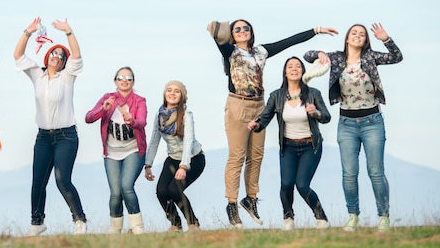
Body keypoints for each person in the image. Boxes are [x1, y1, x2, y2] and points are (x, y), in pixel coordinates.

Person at [207, 20, 337, 228]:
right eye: (237, 29)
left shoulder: (261, 52)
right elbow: (216, 34)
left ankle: (251, 199)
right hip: (237, 105)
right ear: (232, 34)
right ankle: (232, 204)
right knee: (237, 156)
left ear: (251, 32)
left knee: (256, 156)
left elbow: (289, 42)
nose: (242, 31)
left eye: (246, 28)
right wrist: (215, 29)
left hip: (259, 105)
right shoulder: (229, 51)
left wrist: (316, 31)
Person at [304, 23, 402, 232]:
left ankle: (383, 217)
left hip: (372, 122)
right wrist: (321, 53)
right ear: (347, 38)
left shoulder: (371, 57)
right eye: (354, 33)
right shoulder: (336, 58)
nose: (357, 36)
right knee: (349, 173)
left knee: (375, 171)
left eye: (362, 34)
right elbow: (307, 54)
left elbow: (396, 57)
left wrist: (386, 39)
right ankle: (353, 215)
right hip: (346, 123)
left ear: (365, 41)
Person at [14, 17, 87, 236]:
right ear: (48, 57)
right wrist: (28, 32)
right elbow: (18, 56)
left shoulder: (67, 77)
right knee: (38, 182)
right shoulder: (38, 74)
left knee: (62, 180)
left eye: (61, 55)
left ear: (64, 62)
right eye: (54, 53)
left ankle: (80, 220)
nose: (57, 56)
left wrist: (68, 32)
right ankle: (37, 223)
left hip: (67, 136)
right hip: (43, 137)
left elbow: (77, 56)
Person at [248, 57, 331, 230]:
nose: (294, 69)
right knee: (286, 184)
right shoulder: (277, 96)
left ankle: (321, 217)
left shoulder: (313, 93)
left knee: (302, 185)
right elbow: (263, 119)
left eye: (298, 66)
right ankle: (288, 218)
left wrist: (315, 113)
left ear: (303, 71)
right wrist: (256, 125)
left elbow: (326, 117)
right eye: (290, 66)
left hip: (311, 146)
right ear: (285, 72)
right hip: (288, 147)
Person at [85, 67, 147, 234]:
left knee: (126, 186)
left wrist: (131, 120)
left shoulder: (139, 101)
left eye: (129, 77)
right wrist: (103, 109)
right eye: (121, 77)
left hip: (134, 150)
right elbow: (88, 118)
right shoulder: (107, 99)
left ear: (133, 81)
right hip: (112, 153)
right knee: (115, 193)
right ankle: (115, 228)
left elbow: (142, 122)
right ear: (115, 81)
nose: (125, 80)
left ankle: (137, 227)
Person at [145, 81, 205, 232]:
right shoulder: (160, 115)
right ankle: (175, 224)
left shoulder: (186, 114)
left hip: (193, 158)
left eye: (176, 91)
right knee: (161, 191)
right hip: (173, 158)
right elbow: (154, 140)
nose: (172, 93)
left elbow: (188, 141)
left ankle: (193, 223)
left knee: (174, 189)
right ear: (164, 94)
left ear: (182, 96)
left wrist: (184, 166)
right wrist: (148, 164)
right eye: (169, 90)